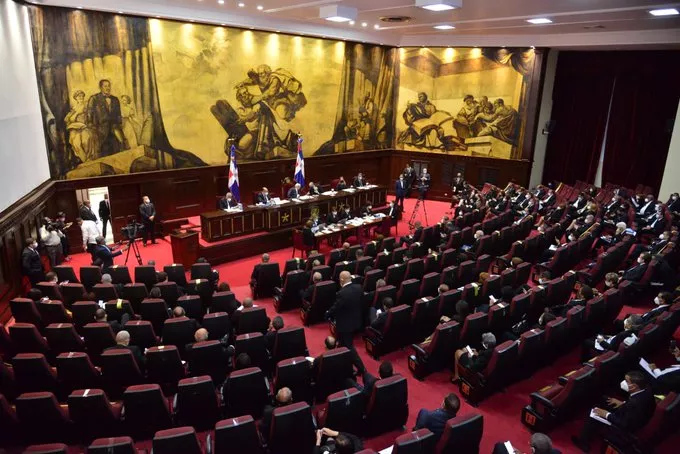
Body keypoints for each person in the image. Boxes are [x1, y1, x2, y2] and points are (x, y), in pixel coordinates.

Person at [571, 371, 655, 452]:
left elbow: (624, 424)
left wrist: (606, 414)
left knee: (594, 412)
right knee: (606, 400)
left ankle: (583, 442)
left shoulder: (635, 403)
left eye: (626, 381)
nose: (623, 382)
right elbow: (635, 407)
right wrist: (623, 403)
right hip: (633, 415)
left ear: (634, 386)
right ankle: (597, 428)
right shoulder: (647, 389)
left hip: (625, 428)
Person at [86, 79, 125, 158]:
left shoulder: (115, 99)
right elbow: (89, 113)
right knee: (103, 150)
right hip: (100, 127)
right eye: (105, 86)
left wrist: (119, 123)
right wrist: (91, 124)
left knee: (120, 144)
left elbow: (118, 114)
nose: (108, 88)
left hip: (114, 126)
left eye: (109, 86)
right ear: (101, 87)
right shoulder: (94, 98)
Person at [326, 271, 363, 351]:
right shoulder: (359, 287)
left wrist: (327, 314)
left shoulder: (342, 293)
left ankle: (359, 364)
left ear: (342, 280)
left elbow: (336, 307)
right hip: (356, 320)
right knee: (342, 344)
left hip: (346, 325)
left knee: (349, 347)